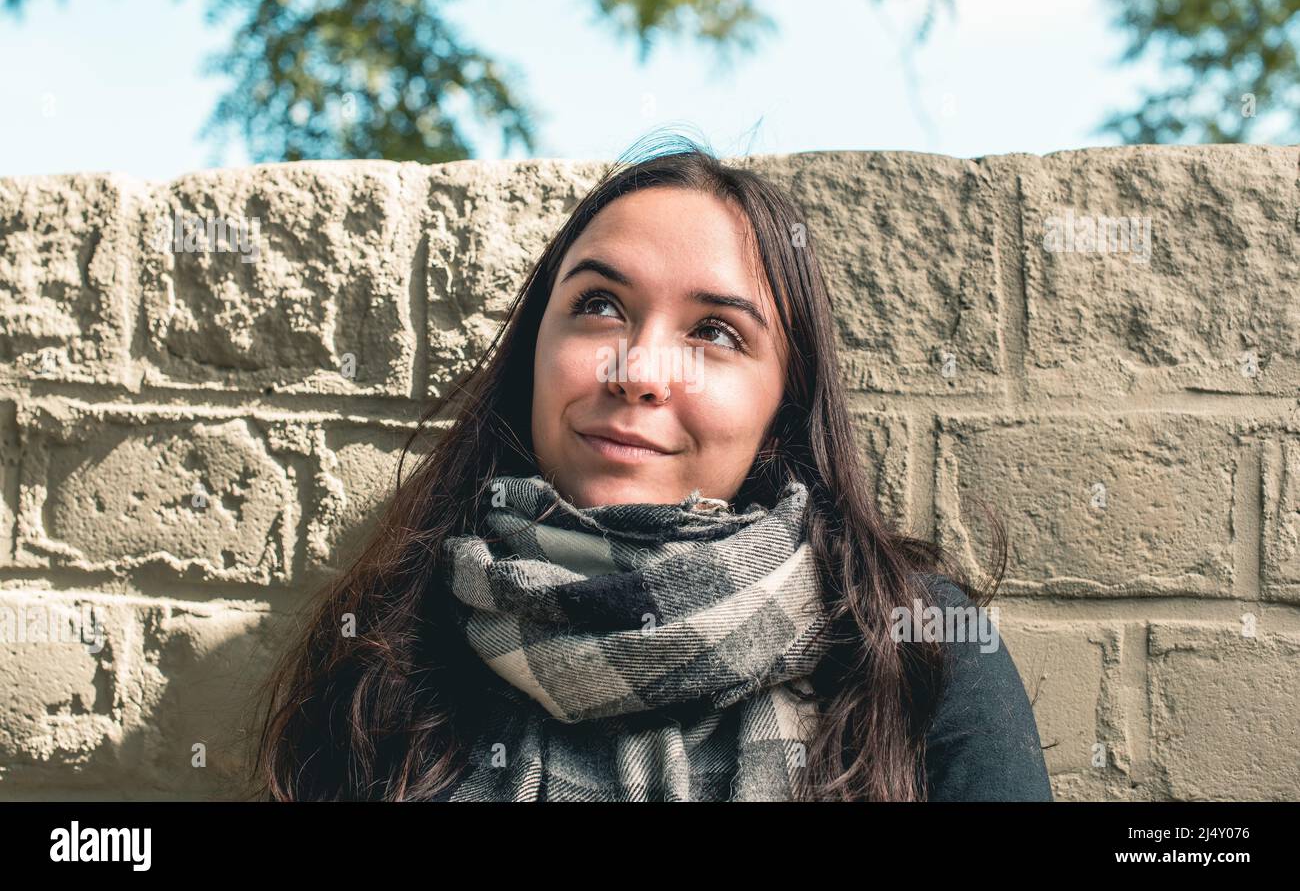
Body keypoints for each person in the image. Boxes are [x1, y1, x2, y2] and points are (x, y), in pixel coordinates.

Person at [246, 129, 1053, 802]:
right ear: (537, 350)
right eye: (600, 306)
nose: (639, 370)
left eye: (716, 333)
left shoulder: (907, 647)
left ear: (782, 407)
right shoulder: (396, 646)